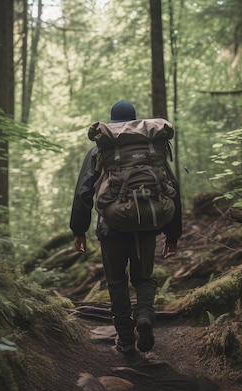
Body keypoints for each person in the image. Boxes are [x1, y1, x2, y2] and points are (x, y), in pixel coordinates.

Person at [70, 100, 182, 356]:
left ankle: (126, 340)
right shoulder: (151, 150)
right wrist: (173, 234)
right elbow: (171, 189)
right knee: (143, 278)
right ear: (134, 121)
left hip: (112, 228)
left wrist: (79, 229)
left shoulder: (102, 149)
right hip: (146, 226)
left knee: (117, 282)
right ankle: (143, 315)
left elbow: (84, 191)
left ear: (112, 123)